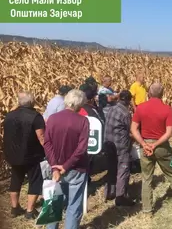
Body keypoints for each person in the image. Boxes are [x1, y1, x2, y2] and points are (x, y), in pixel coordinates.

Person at [131, 83, 172, 215]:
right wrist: (155, 144)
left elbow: (133, 129)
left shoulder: (140, 108)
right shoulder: (166, 109)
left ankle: (147, 210)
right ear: (162, 94)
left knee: (146, 178)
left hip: (145, 146)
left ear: (149, 93)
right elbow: (168, 132)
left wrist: (144, 143)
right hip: (161, 147)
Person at [43, 89, 89, 229]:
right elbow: (81, 148)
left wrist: (54, 166)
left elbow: (47, 143)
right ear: (80, 105)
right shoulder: (83, 121)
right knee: (74, 204)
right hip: (76, 168)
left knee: (54, 202)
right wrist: (66, 165)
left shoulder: (52, 118)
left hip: (55, 168)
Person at [3, 91, 45, 219]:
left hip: (13, 155)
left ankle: (15, 208)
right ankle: (30, 211)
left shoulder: (9, 116)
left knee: (15, 179)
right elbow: (42, 137)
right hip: (31, 156)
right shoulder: (36, 116)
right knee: (35, 181)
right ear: (32, 102)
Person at [104, 90, 136, 206]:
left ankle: (109, 192)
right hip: (121, 145)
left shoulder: (111, 109)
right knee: (123, 169)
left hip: (108, 143)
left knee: (112, 168)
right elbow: (130, 130)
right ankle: (120, 197)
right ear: (128, 100)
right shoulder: (125, 113)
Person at [79, 85, 105, 184]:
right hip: (88, 140)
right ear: (91, 99)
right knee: (86, 161)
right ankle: (85, 179)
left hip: (85, 141)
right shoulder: (88, 110)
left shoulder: (81, 108)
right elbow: (97, 124)